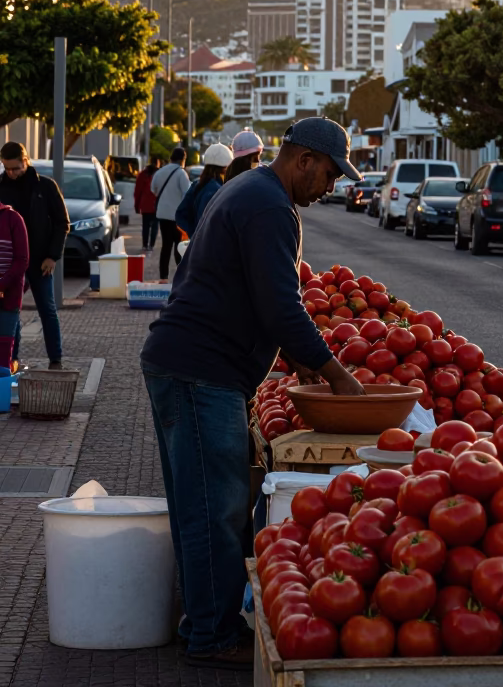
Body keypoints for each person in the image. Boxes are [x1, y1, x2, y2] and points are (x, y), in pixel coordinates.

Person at [140, 116, 365, 670]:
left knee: (202, 506)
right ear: (304, 160)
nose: (332, 187)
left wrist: (295, 358)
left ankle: (203, 623)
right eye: (331, 174)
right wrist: (338, 377)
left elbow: (253, 291)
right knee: (215, 510)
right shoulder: (269, 205)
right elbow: (280, 305)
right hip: (201, 371)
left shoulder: (251, 189)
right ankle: (210, 636)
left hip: (189, 364)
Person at [0, 142, 69, 370]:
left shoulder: (46, 187)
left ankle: (55, 359)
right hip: (10, 265)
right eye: (6, 168)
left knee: (47, 309)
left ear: (25, 161)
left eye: (15, 168)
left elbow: (62, 223)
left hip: (40, 261)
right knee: (11, 313)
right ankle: (12, 361)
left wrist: (52, 256)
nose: (11, 173)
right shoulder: (1, 186)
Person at [175, 143, 233, 238]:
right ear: (226, 167)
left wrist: (191, 234)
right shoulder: (216, 190)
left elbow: (181, 214)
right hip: (208, 247)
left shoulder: (198, 184)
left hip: (197, 244)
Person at [151, 147, 190, 280]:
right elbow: (187, 194)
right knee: (179, 246)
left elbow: (153, 189)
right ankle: (180, 277)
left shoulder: (160, 172)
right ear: (182, 159)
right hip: (177, 216)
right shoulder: (181, 173)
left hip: (162, 215)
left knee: (165, 246)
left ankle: (163, 277)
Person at [0, 199, 29, 374]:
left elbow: (22, 260)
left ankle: (3, 394)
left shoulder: (13, 219)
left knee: (3, 353)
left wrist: (2, 284)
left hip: (9, 296)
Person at [134, 155, 161, 253]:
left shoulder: (142, 175)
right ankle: (151, 245)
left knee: (145, 226)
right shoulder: (160, 175)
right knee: (155, 226)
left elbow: (137, 192)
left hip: (145, 205)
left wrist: (136, 205)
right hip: (156, 205)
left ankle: (145, 245)